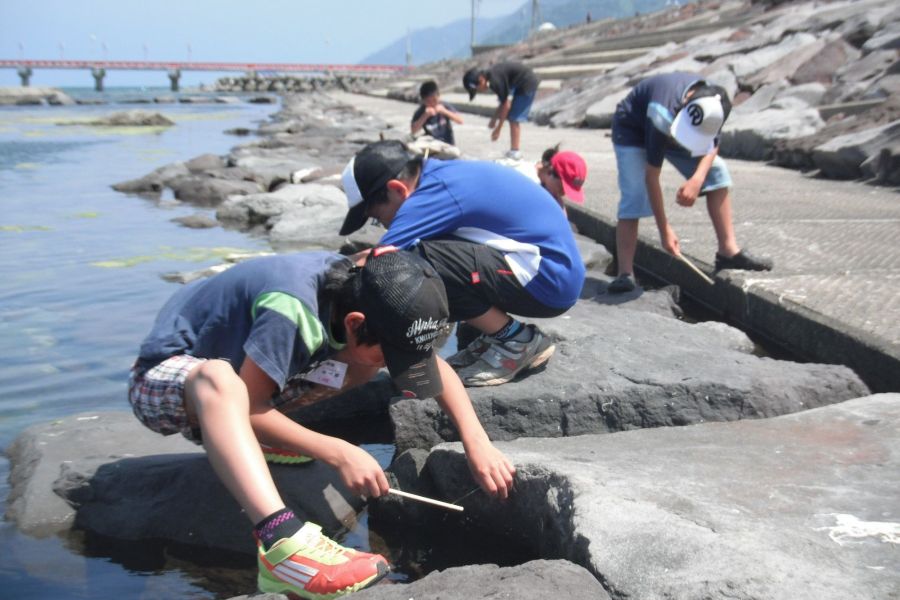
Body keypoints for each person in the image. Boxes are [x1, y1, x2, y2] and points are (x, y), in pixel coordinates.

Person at [128, 249, 515, 598]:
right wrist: (338, 451)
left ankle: (258, 444)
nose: (392, 365)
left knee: (361, 368)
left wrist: (476, 442)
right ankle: (281, 545)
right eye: (390, 353)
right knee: (219, 378)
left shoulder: (370, 288)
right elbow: (246, 405)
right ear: (354, 322)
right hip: (171, 377)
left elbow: (431, 365)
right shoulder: (291, 310)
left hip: (238, 383)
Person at [339, 140, 585, 387]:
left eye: (377, 217)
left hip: (549, 279)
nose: (383, 225)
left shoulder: (434, 193)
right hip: (549, 272)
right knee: (421, 257)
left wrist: (325, 276)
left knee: (416, 263)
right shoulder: (439, 173)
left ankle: (516, 341)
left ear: (397, 189)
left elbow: (379, 265)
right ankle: (496, 335)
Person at [608, 72, 773, 294]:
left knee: (718, 173)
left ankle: (728, 252)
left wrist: (697, 179)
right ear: (686, 104)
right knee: (635, 195)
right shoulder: (662, 113)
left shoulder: (716, 102)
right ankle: (625, 273)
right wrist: (664, 230)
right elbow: (651, 176)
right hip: (633, 130)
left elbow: (713, 143)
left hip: (677, 126)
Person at [462, 62, 539, 160]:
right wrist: (494, 119)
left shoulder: (495, 80)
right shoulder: (490, 78)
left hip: (527, 83)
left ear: (481, 80)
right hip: (519, 83)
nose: (479, 91)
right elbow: (503, 101)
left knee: (514, 118)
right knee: (511, 115)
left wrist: (498, 129)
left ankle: (515, 152)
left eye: (477, 89)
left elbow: (506, 106)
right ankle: (514, 150)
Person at [535, 144, 588, 214]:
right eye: (562, 188)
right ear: (550, 171)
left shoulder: (552, 191)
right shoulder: (529, 181)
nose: (564, 193)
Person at [410, 80, 463, 146]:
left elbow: (460, 120)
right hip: (431, 144)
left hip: (447, 144)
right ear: (423, 101)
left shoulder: (444, 106)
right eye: (428, 101)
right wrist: (425, 116)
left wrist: (445, 111)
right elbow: (413, 130)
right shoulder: (421, 111)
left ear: (439, 96)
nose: (432, 103)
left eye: (434, 100)